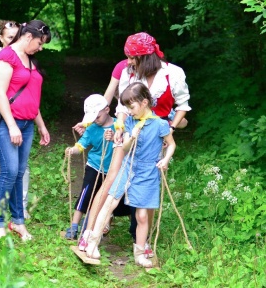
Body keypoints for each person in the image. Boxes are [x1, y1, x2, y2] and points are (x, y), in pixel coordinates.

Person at [78, 32, 191, 256]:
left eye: (132, 57)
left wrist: (169, 129)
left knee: (148, 188)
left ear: (145, 56)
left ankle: (143, 242)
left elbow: (183, 106)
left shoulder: (173, 73)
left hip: (154, 136)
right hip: (129, 132)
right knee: (111, 179)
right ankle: (89, 235)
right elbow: (121, 108)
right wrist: (119, 128)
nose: (128, 62)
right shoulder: (128, 73)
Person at [85, 82, 176, 268]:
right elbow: (124, 147)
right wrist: (131, 136)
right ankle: (92, 243)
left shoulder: (160, 124)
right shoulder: (130, 122)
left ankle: (140, 253)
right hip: (129, 166)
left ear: (144, 103)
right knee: (110, 202)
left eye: (132, 107)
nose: (130, 111)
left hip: (148, 172)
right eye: (127, 107)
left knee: (142, 215)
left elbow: (171, 144)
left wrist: (165, 160)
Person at [0, 20, 51, 240]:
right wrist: (12, 125)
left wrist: (41, 125)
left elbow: (32, 98)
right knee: (10, 171)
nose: (40, 48)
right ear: (28, 37)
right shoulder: (6, 57)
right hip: (7, 124)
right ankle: (0, 222)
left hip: (27, 124)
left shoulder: (31, 60)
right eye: (40, 43)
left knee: (20, 173)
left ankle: (18, 223)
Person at [0, 20, 30, 220]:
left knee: (22, 165)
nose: (13, 41)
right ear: (1, 38)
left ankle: (22, 206)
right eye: (9, 37)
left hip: (21, 116)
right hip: (1, 116)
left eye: (17, 36)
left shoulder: (25, 56)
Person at [64, 94, 116, 240]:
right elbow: (81, 145)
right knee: (85, 194)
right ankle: (74, 225)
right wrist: (72, 150)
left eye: (97, 117)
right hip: (94, 166)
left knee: (106, 198)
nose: (95, 121)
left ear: (107, 109)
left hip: (112, 170)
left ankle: (100, 224)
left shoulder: (119, 125)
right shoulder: (92, 128)